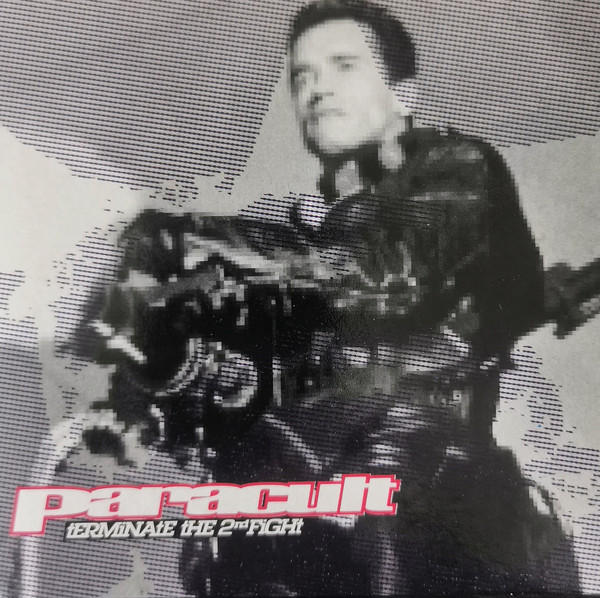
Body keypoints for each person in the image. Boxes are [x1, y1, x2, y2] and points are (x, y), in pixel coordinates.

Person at [86, 0, 581, 595]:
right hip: (293, 503)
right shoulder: (290, 241)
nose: (316, 87)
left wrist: (197, 241)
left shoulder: (457, 171)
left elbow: (384, 268)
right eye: (302, 76)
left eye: (344, 65)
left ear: (404, 95)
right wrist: (140, 370)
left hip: (428, 509)